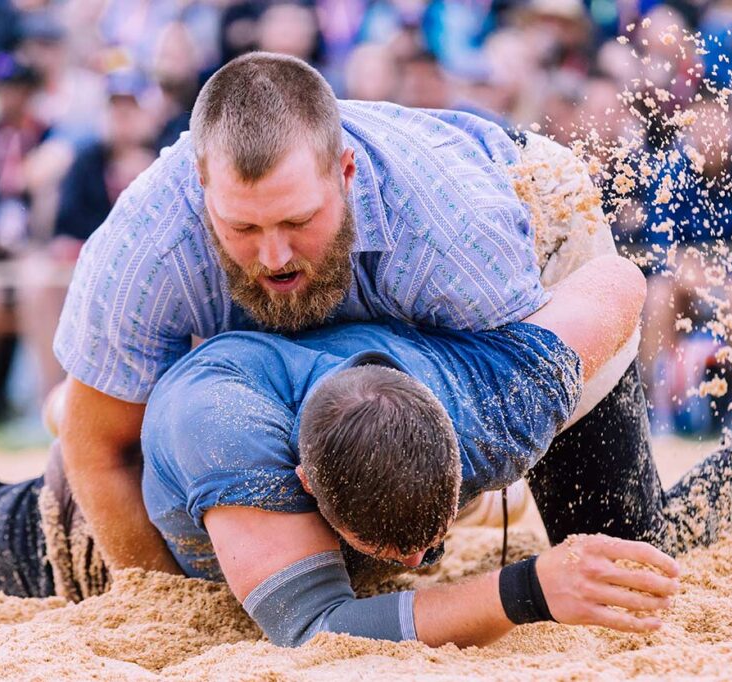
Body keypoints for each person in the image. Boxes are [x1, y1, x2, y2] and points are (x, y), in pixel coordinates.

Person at [0, 260, 732, 648]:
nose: (420, 564)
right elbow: (312, 634)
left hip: (466, 399)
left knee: (639, 558)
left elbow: (610, 286)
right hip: (81, 528)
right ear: (303, 488)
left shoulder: (483, 393)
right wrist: (525, 589)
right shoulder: (227, 444)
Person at [49, 50, 628, 576]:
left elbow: (522, 373)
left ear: (345, 175)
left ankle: (477, 501)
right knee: (90, 417)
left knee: (628, 549)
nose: (272, 256)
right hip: (280, 369)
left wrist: (451, 501)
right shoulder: (143, 256)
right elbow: (96, 444)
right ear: (202, 188)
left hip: (512, 248)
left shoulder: (454, 232)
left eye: (298, 221)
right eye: (243, 227)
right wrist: (171, 603)